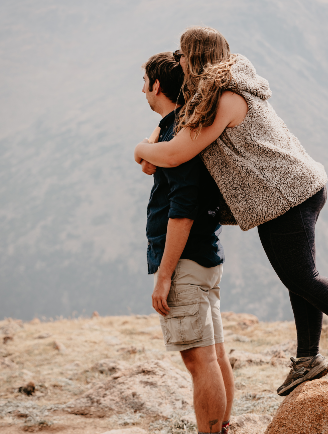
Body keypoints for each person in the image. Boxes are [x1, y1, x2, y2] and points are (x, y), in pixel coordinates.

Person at [135, 27, 328, 398]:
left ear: (197, 57)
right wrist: (149, 148)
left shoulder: (226, 97)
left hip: (289, 193)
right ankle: (308, 359)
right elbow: (171, 141)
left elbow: (177, 153)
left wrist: (138, 150)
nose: (179, 60)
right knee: (296, 277)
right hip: (278, 197)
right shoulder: (210, 96)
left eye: (184, 54)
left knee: (302, 276)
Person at [140, 52, 234, 434]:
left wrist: (164, 276)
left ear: (156, 85)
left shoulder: (179, 135)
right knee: (215, 355)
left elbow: (182, 211)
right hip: (207, 256)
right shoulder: (183, 129)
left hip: (185, 262)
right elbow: (151, 163)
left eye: (144, 82)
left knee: (200, 361)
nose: (142, 89)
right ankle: (224, 427)